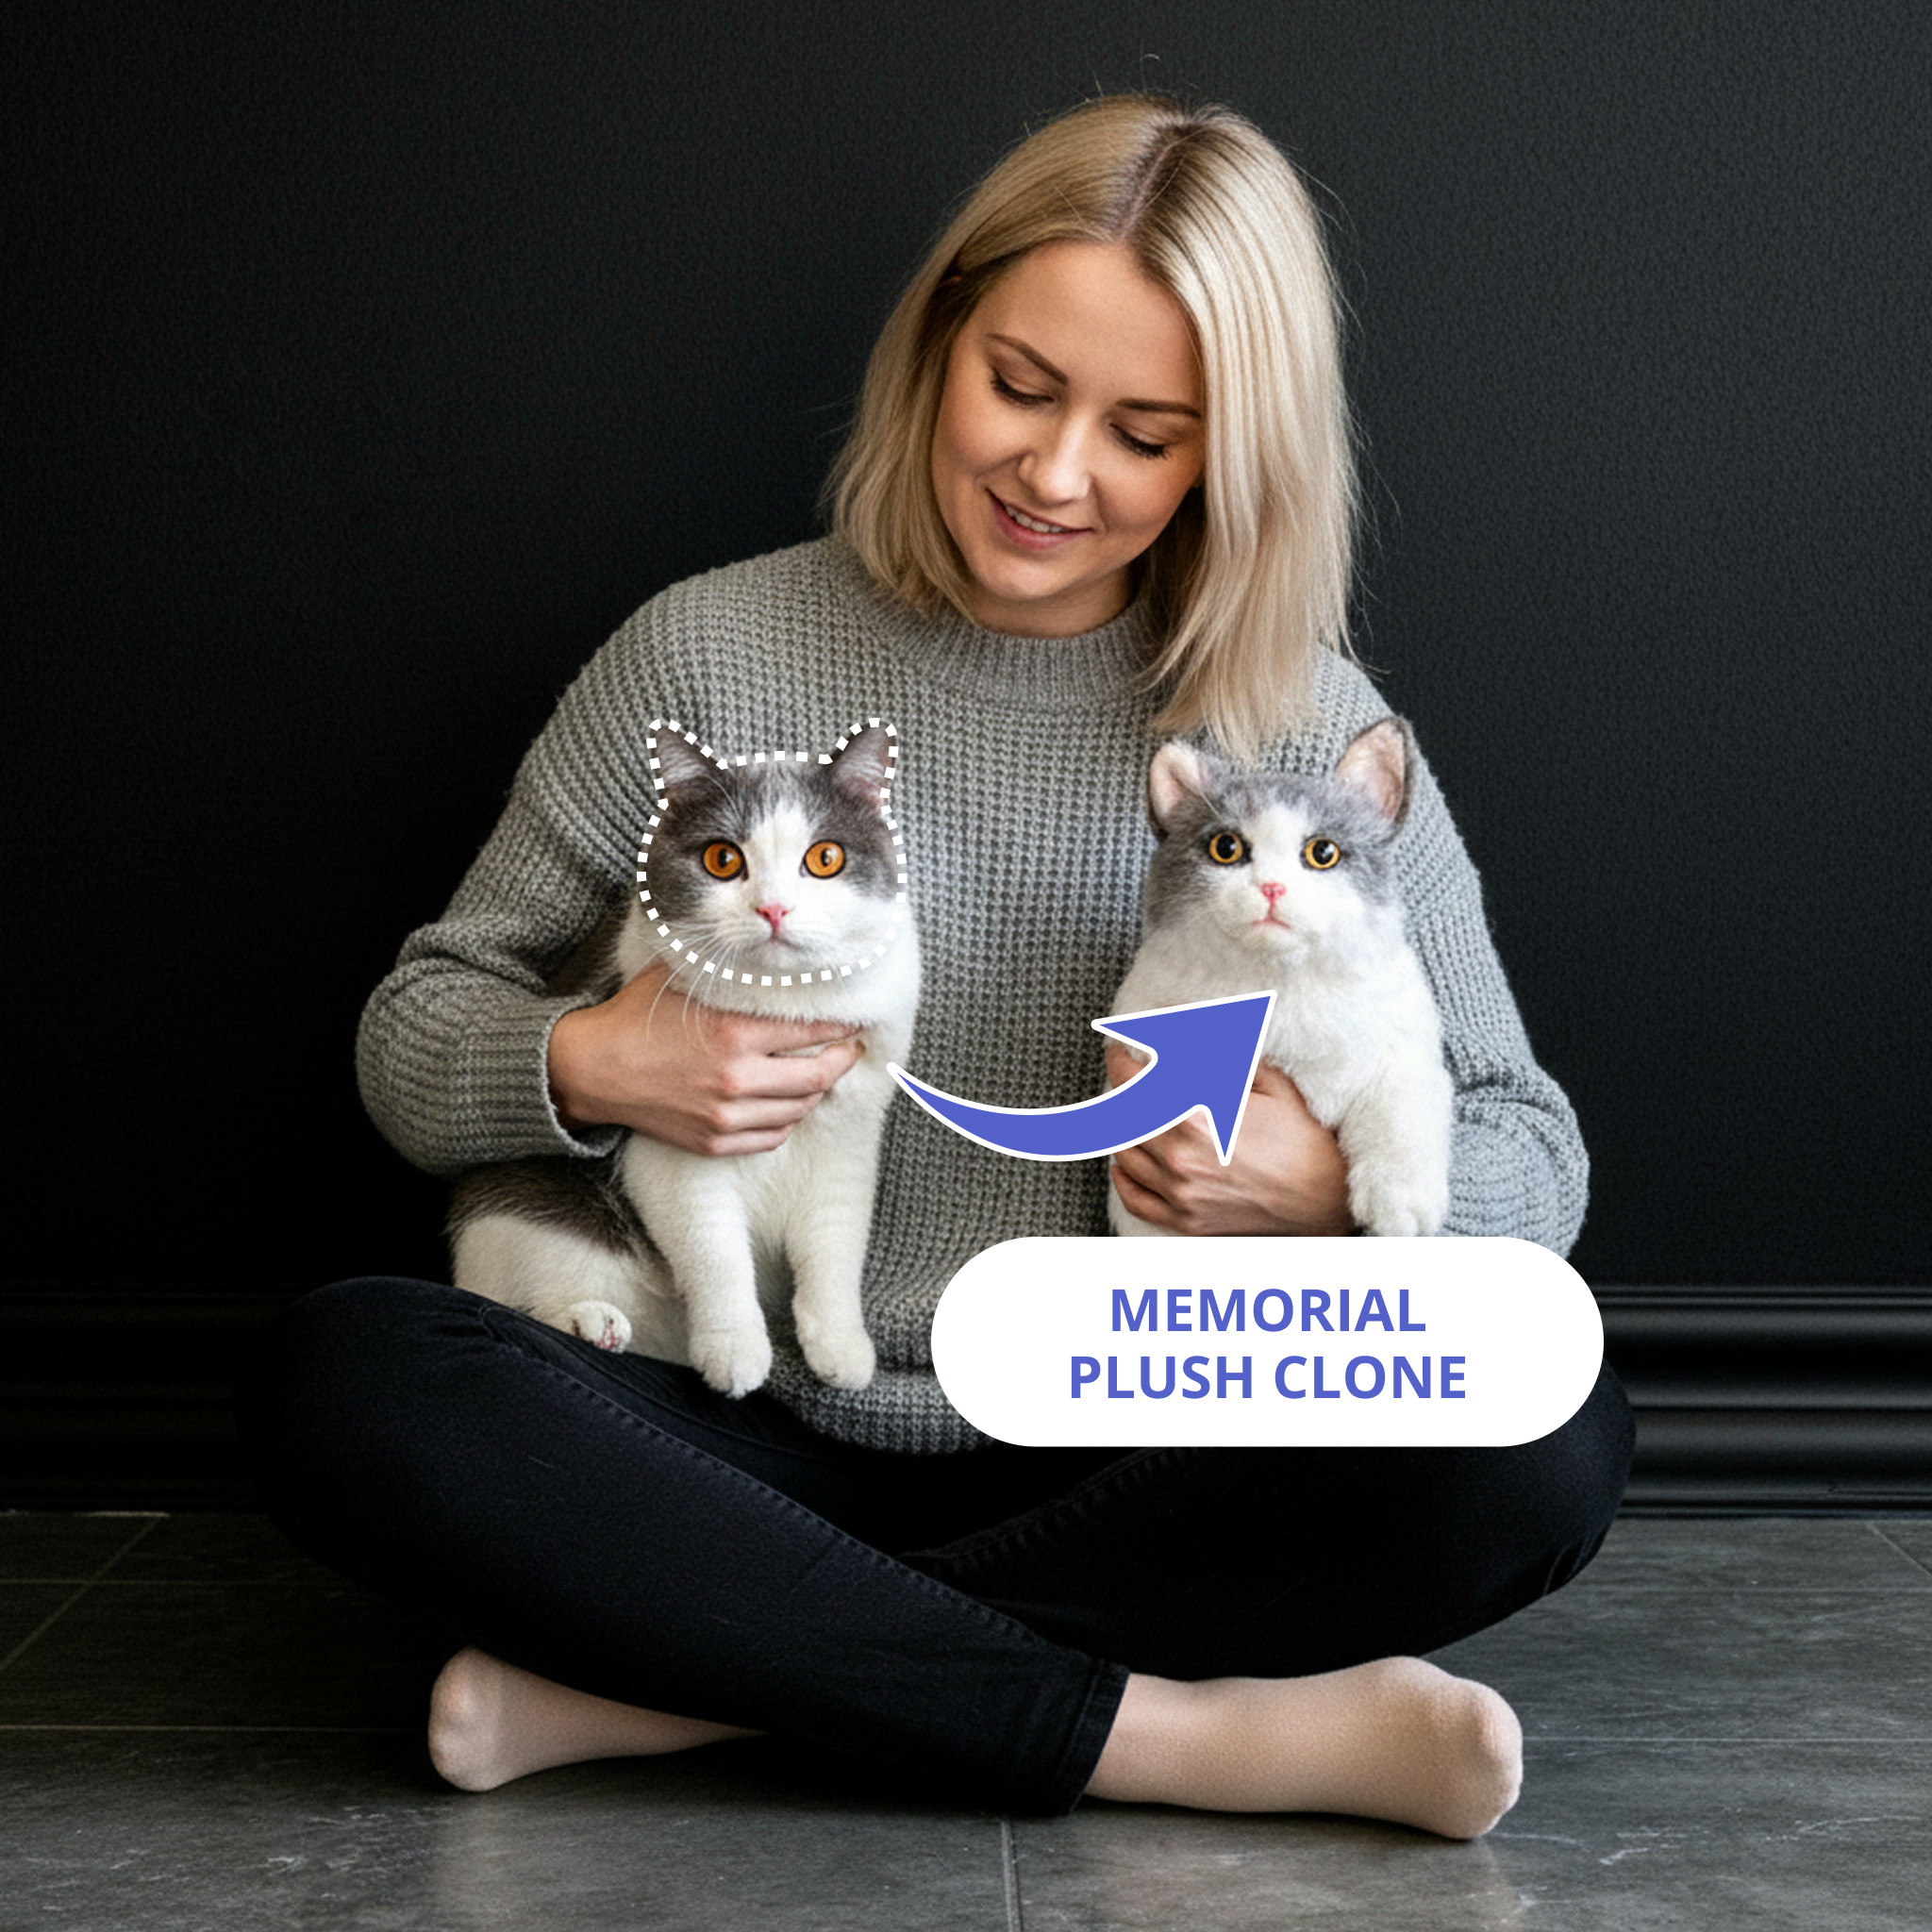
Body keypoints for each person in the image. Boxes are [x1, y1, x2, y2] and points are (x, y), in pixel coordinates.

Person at [243, 94, 1632, 1840]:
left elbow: (1530, 1146)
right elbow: (415, 1032)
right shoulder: (709, 647)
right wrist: (594, 1062)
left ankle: (697, 1684)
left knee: (1548, 1441)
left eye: (1145, 433)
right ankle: (1167, 1736)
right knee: (346, 1381)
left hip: (1143, 1443)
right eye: (1021, 387)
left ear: (1232, 457)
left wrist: (1326, 1192)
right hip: (730, 1421)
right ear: (937, 345)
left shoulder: (1301, 730)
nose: (1056, 475)